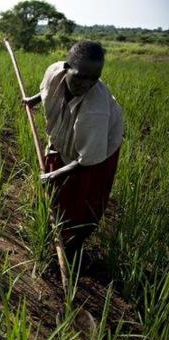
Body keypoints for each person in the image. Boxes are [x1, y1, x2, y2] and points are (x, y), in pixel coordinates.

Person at [23, 41, 124, 260]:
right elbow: (49, 91)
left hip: (98, 153)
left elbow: (87, 160)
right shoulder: (54, 72)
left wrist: (52, 174)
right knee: (56, 190)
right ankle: (51, 229)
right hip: (67, 137)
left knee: (83, 200)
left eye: (93, 79)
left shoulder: (94, 111)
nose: (85, 85)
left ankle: (73, 247)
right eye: (80, 77)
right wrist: (32, 100)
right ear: (67, 68)